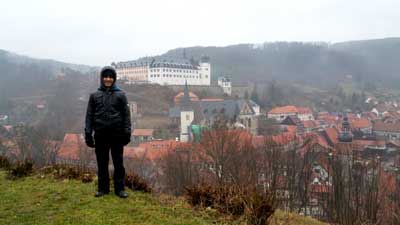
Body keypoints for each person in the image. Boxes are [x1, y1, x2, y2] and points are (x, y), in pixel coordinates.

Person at [84, 66, 131, 198]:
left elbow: (126, 116)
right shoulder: (94, 96)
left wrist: (127, 133)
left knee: (118, 164)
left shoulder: (121, 95)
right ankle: (103, 189)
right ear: (102, 78)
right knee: (102, 163)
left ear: (114, 79)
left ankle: (120, 189)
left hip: (117, 135)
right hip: (100, 135)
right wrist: (88, 134)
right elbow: (89, 116)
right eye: (106, 76)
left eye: (111, 77)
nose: (108, 79)